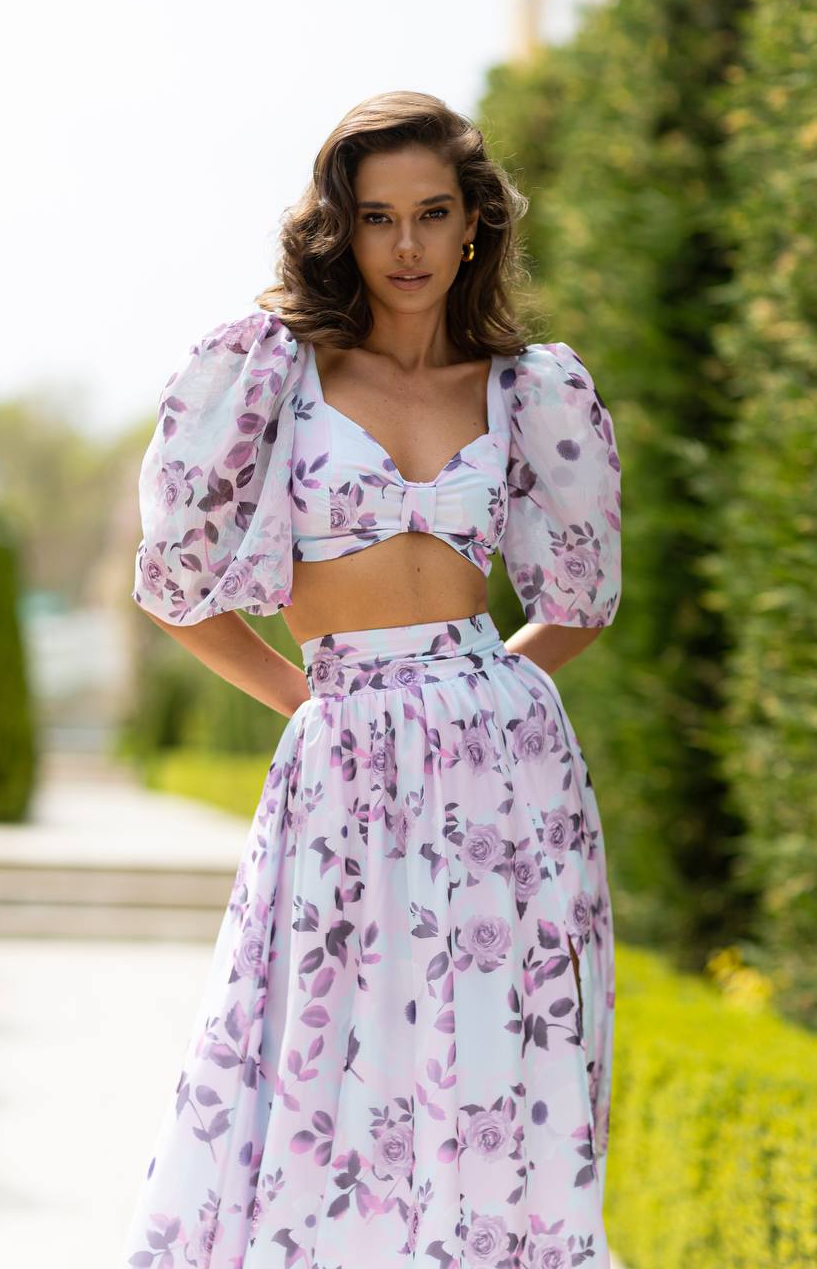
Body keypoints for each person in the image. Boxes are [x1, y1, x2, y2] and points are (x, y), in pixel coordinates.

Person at [122, 89, 622, 1269]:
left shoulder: (526, 387)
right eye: (377, 217)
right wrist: (313, 703)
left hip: (510, 771)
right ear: (338, 229)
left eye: (432, 214)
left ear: (474, 226)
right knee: (329, 1060)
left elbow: (582, 598)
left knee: (503, 1063)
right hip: (341, 753)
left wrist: (488, 693)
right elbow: (173, 588)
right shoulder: (267, 376)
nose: (405, 247)